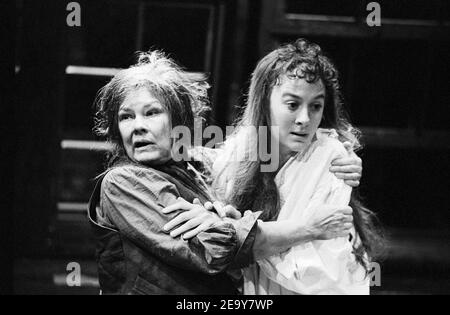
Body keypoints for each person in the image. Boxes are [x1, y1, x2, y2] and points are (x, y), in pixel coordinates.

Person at [88, 50, 355, 295]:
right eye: (126, 117)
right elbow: (214, 248)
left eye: (152, 113)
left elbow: (252, 156)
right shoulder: (122, 182)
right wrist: (307, 228)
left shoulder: (197, 167)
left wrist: (338, 155)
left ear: (179, 120)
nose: (138, 127)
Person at [164, 39, 384, 295]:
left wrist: (236, 231)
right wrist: (234, 228)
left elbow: (305, 268)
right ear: (265, 104)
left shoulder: (330, 157)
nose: (304, 119)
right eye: (292, 104)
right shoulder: (244, 147)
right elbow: (215, 165)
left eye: (315, 106)